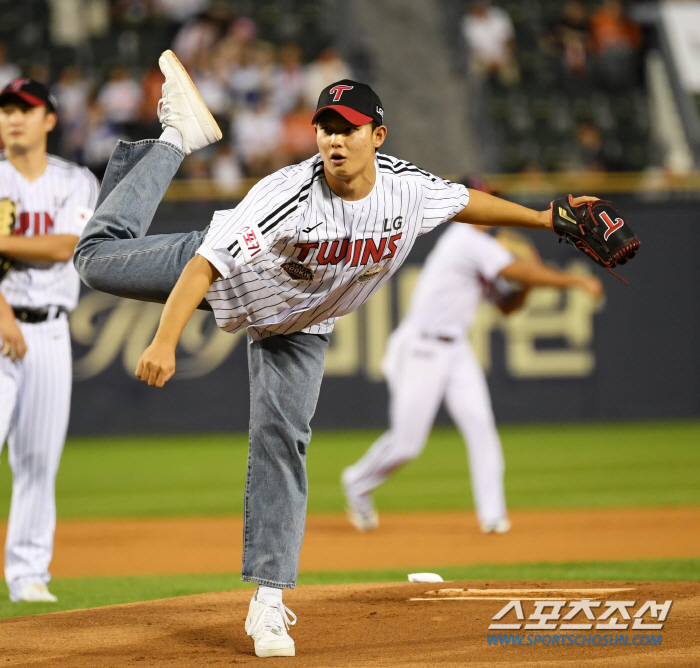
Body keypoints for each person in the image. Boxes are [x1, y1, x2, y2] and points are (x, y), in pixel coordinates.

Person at [73, 50, 602, 658]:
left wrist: (542, 218)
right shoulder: (285, 193)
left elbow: (463, 202)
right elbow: (204, 265)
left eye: (347, 127)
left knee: (281, 440)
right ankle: (175, 137)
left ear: (376, 135)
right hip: (223, 276)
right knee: (94, 261)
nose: (333, 139)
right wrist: (164, 340)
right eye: (325, 126)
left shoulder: (407, 190)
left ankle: (269, 604)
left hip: (301, 326)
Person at [341, 187, 603, 534]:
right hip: (423, 347)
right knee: (407, 443)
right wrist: (574, 280)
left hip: (456, 348)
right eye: (485, 197)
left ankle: (493, 516)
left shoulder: (482, 248)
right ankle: (357, 482)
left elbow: (508, 307)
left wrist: (526, 282)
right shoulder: (464, 238)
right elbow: (518, 272)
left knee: (481, 428)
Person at [0, 78, 99, 603]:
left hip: (51, 330)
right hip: (0, 324)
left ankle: (28, 573)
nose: (14, 118)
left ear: (49, 121)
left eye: (26, 109)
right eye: (7, 109)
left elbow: (66, 246)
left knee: (39, 459)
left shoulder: (75, 180)